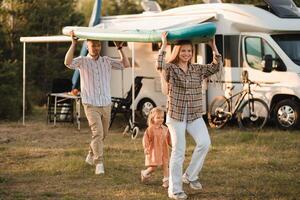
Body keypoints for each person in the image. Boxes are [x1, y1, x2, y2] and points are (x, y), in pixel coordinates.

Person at [156, 32, 222, 200]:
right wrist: (164, 45)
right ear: (177, 51)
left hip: (194, 113)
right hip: (176, 115)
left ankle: (190, 175)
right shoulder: (171, 68)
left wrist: (213, 47)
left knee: (205, 143)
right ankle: (175, 190)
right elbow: (160, 65)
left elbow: (215, 66)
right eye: (183, 51)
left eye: (189, 51)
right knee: (179, 151)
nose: (186, 54)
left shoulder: (197, 69)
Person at [64, 31, 130, 175]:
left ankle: (90, 153)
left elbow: (126, 64)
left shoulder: (106, 60)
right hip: (90, 103)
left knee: (102, 134)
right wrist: (74, 43)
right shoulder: (82, 61)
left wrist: (120, 49)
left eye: (98, 45)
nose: (96, 48)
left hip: (106, 103)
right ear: (87, 46)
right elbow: (67, 62)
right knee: (98, 132)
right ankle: (99, 163)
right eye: (93, 45)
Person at [141, 107, 171, 188]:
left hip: (164, 150)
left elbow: (169, 139)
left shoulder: (165, 129)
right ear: (153, 118)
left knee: (165, 165)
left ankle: (166, 181)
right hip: (154, 151)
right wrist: (146, 148)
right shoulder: (150, 129)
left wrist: (173, 145)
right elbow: (145, 139)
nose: (161, 119)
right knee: (153, 167)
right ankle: (145, 173)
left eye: (162, 117)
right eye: (158, 117)